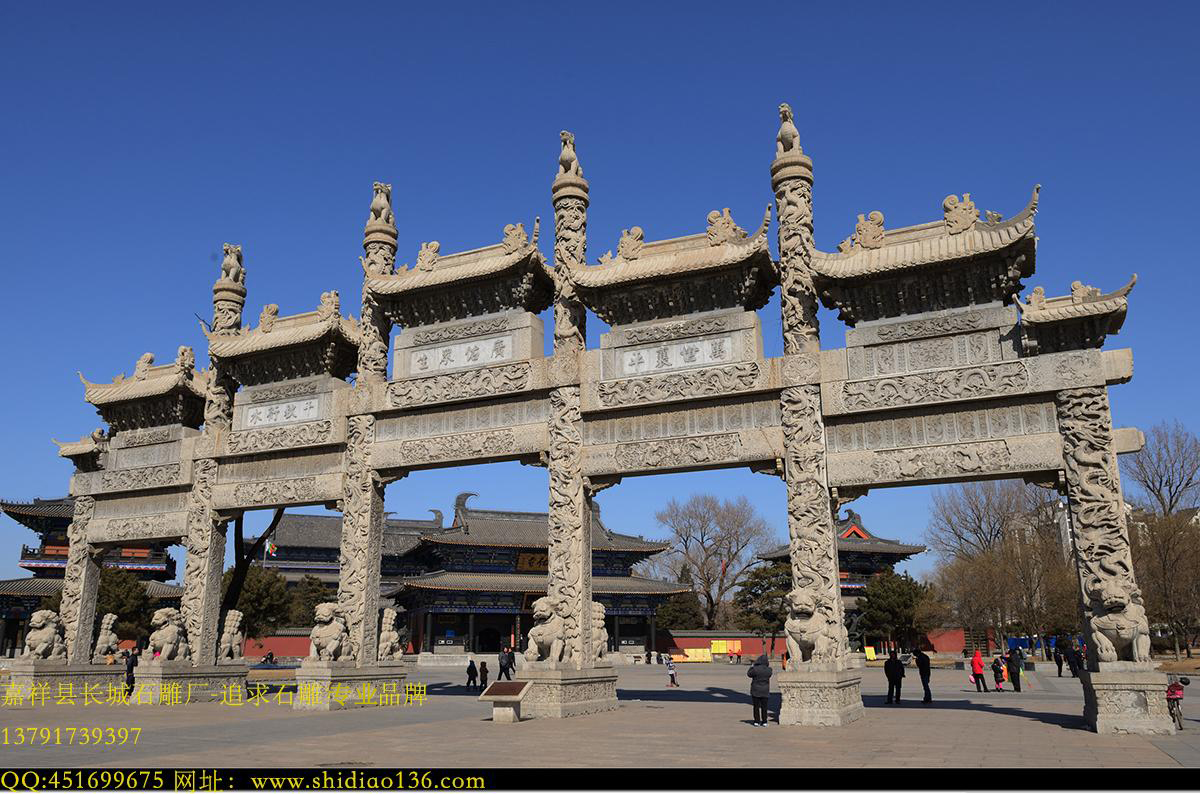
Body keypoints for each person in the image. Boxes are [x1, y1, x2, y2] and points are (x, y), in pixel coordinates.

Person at [746, 653, 772, 726]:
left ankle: (756, 721)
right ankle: (764, 721)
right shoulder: (769, 670)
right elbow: (770, 675)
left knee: (756, 707)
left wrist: (752, 666)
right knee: (764, 707)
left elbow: (749, 674)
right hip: (765, 690)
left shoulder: (755, 669)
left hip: (755, 690)